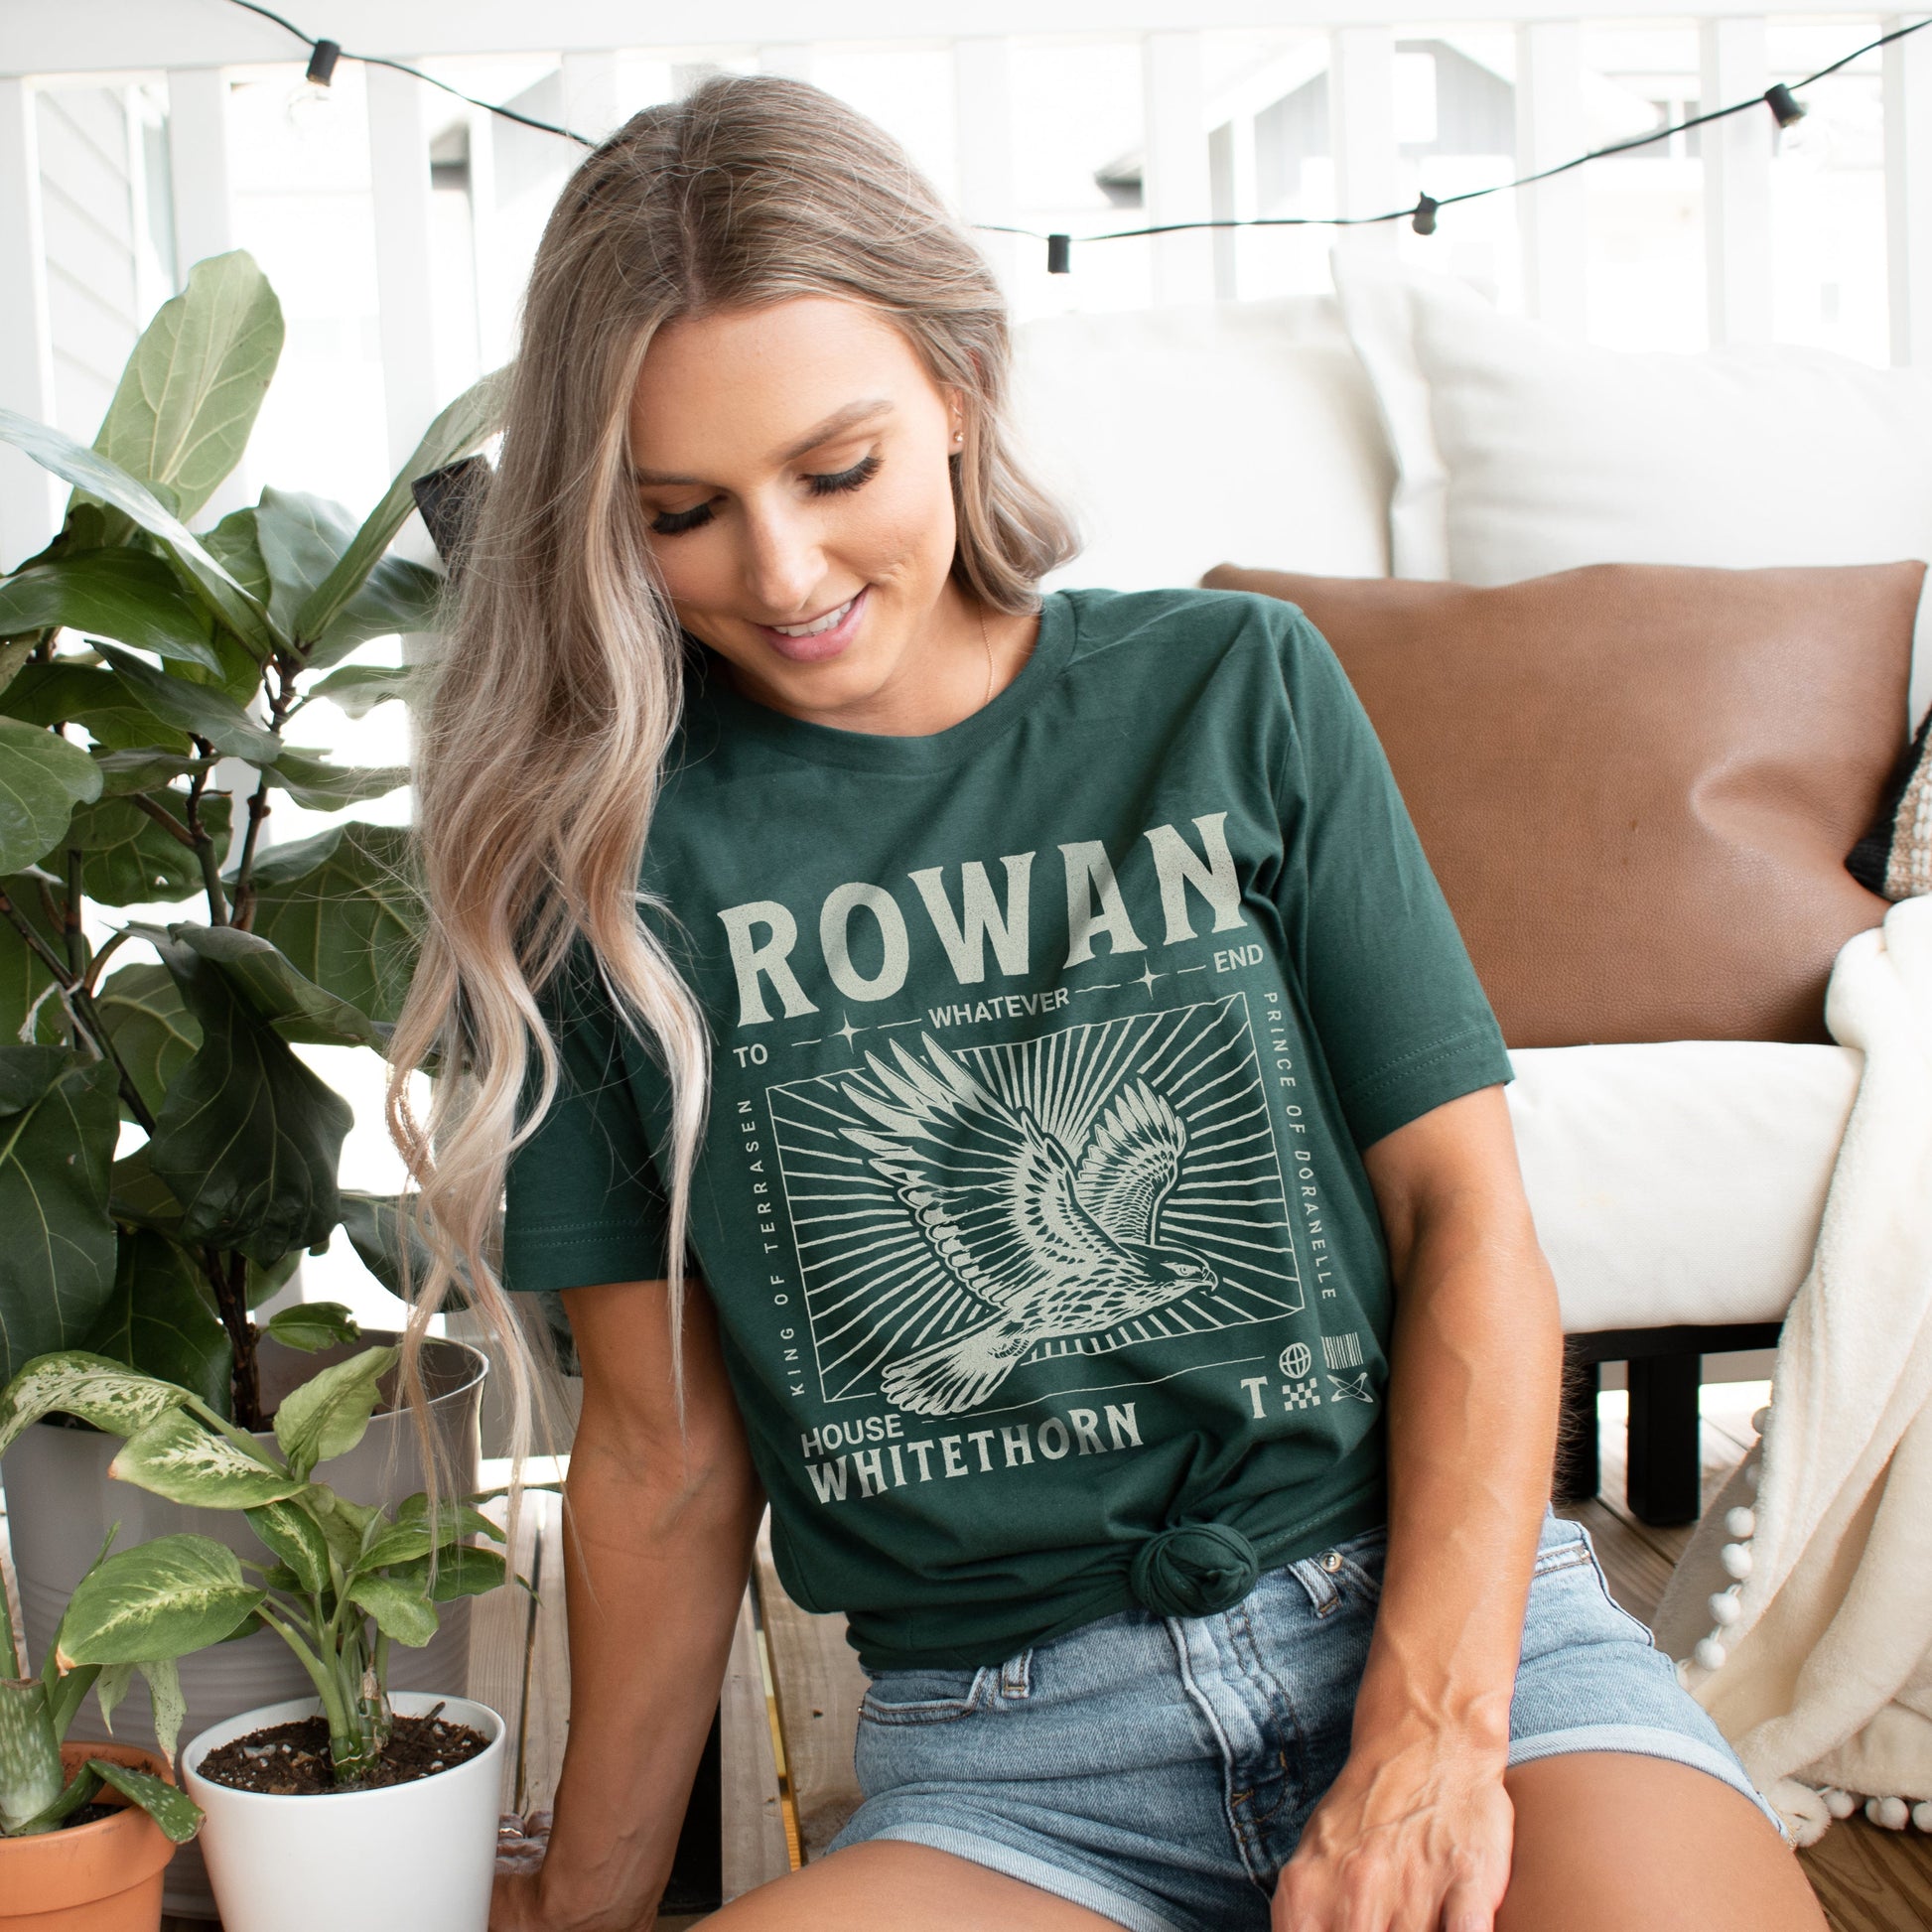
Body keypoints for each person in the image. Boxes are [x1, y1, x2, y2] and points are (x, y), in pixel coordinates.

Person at [385, 74, 1826, 1932]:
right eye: (684, 512)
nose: (784, 572)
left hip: (1445, 1646)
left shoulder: (1233, 687)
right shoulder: (602, 860)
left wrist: (1425, 1740)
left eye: (836, 471)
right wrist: (580, 1906)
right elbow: (665, 1462)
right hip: (1015, 1770)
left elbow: (1463, 1222)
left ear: (957, 388)